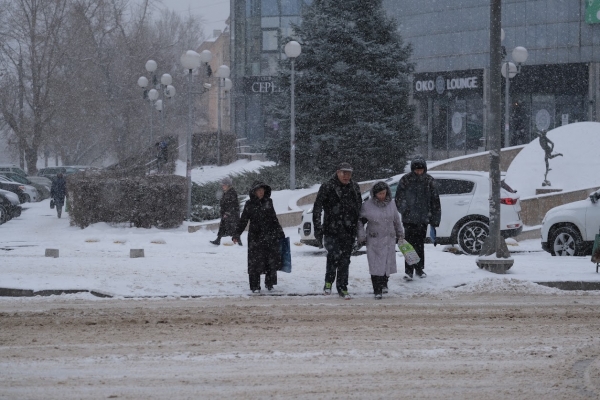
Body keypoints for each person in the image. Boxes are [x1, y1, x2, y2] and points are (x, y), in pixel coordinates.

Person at [313, 162, 362, 299]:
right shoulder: (328, 186)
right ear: (337, 172)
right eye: (344, 173)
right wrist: (318, 229)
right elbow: (317, 208)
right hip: (331, 229)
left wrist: (358, 229)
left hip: (349, 229)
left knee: (345, 259)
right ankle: (328, 282)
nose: (346, 176)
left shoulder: (354, 187)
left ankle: (342, 286)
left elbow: (359, 209)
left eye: (349, 173)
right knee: (333, 256)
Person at [233, 181, 285, 293]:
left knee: (270, 261)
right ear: (254, 192)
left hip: (269, 236)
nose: (261, 192)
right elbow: (243, 221)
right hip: (255, 237)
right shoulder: (249, 204)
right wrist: (237, 234)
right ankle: (255, 286)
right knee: (254, 263)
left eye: (262, 190)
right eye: (259, 190)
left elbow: (274, 218)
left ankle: (269, 283)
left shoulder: (268, 202)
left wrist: (280, 232)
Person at [394, 156, 441, 281]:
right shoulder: (405, 180)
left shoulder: (429, 181)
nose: (419, 172)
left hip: (423, 219)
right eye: (416, 170)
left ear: (424, 169)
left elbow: (435, 201)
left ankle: (419, 268)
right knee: (408, 245)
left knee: (420, 244)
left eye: (421, 170)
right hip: (408, 219)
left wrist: (434, 219)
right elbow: (398, 198)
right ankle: (409, 270)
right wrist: (405, 209)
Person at [357, 182, 404, 299]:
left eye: (384, 193)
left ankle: (384, 284)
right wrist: (361, 236)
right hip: (375, 239)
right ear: (374, 194)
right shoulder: (367, 205)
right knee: (376, 265)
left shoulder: (391, 204)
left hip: (389, 238)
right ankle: (377, 289)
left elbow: (396, 220)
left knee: (387, 263)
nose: (382, 196)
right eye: (380, 194)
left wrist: (400, 233)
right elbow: (360, 222)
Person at [210, 177, 242, 246]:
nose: (222, 186)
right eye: (222, 185)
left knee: (233, 229)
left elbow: (232, 204)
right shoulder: (227, 192)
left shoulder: (232, 192)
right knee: (223, 227)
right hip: (227, 214)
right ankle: (218, 240)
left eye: (224, 185)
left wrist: (227, 213)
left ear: (228, 185)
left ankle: (239, 242)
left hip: (232, 215)